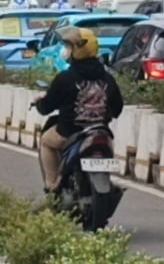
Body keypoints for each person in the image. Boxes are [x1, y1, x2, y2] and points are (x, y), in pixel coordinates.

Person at [34, 28, 124, 194]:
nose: (65, 50)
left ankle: (52, 184)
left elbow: (46, 107)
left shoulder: (65, 78)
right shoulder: (107, 78)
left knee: (46, 141)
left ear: (78, 49)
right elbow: (118, 108)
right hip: (101, 133)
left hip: (69, 133)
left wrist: (40, 103)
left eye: (69, 46)